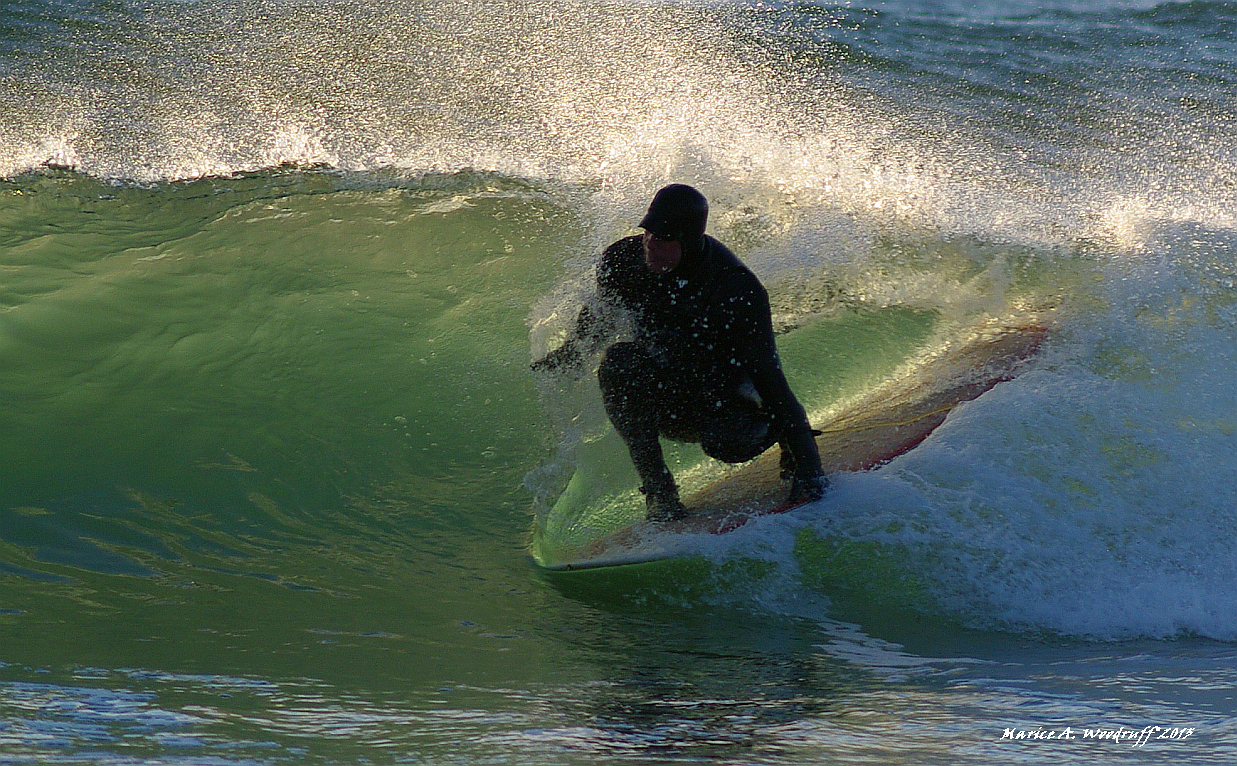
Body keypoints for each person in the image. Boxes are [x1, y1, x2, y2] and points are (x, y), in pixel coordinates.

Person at [533, 184, 827, 521]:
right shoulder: (624, 262)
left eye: (664, 239)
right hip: (672, 393)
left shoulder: (734, 288)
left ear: (687, 241)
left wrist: (811, 469)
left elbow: (771, 380)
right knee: (618, 363)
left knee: (727, 443)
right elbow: (601, 314)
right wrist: (570, 355)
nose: (650, 247)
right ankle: (660, 492)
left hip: (727, 397)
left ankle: (784, 441)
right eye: (648, 234)